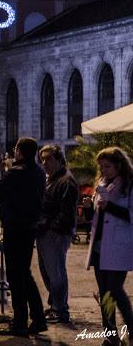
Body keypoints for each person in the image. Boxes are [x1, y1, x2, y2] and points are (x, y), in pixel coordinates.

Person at [0, 137, 47, 337]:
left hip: (15, 228)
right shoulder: (39, 172)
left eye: (15, 149)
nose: (14, 152)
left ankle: (20, 322)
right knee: (25, 273)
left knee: (15, 275)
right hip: (30, 227)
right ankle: (38, 319)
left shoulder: (15, 172)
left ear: (20, 152)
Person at [85, 147, 133, 346]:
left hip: (118, 246)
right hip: (99, 246)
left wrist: (110, 207)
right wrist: (89, 209)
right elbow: (97, 218)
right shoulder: (102, 184)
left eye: (108, 166)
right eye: (102, 167)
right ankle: (110, 335)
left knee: (115, 290)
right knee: (105, 293)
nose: (104, 170)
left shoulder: (129, 186)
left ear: (119, 165)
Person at [37, 144, 78, 324]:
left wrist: (53, 227)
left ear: (59, 159)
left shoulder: (65, 181)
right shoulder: (52, 179)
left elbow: (66, 212)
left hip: (55, 233)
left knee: (56, 273)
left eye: (49, 159)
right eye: (43, 159)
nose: (45, 163)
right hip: (46, 231)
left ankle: (61, 309)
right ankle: (56, 305)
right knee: (48, 272)